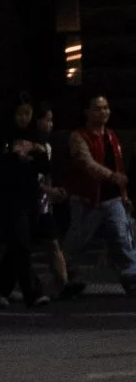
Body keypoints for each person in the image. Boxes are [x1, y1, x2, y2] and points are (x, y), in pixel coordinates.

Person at [64, 92, 136, 293]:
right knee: (77, 240)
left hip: (111, 197)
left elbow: (119, 166)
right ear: (87, 112)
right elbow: (86, 163)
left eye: (105, 108)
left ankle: (131, 276)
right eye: (97, 108)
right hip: (87, 198)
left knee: (122, 237)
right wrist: (112, 176)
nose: (103, 112)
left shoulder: (112, 136)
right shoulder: (79, 136)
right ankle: (67, 276)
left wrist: (124, 196)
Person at [0, 96, 50, 308]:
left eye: (28, 113)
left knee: (17, 244)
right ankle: (32, 291)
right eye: (20, 113)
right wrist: (13, 156)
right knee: (21, 243)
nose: (24, 118)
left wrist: (37, 152)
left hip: (29, 195)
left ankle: (0, 288)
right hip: (9, 196)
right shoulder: (2, 136)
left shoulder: (35, 136)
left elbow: (45, 167)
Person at [35, 104, 77, 296]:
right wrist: (48, 190)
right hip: (26, 201)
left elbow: (46, 174)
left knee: (52, 242)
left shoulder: (48, 146)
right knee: (20, 246)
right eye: (47, 120)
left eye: (51, 120)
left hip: (42, 202)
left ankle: (63, 281)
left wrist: (51, 194)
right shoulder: (28, 145)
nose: (50, 125)